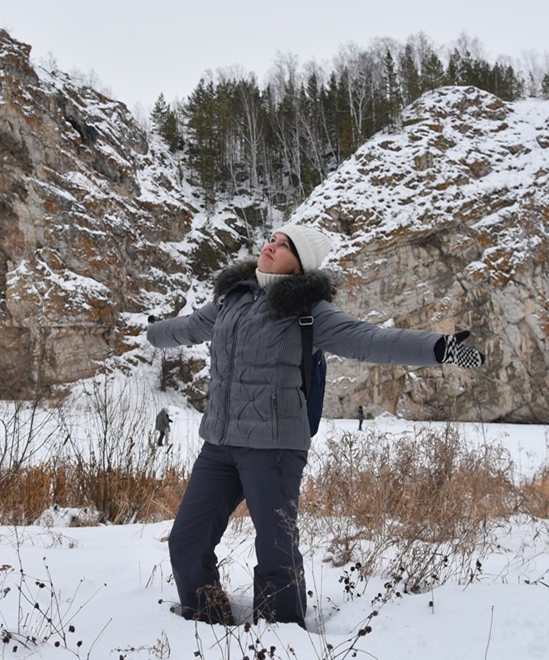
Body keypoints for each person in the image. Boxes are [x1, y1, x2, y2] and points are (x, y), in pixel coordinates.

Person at [146, 223, 485, 627]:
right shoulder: (231, 299)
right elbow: (187, 328)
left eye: (283, 245)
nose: (270, 245)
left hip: (273, 448)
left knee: (276, 551)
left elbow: (372, 339)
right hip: (219, 445)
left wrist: (438, 348)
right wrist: (151, 333)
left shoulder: (308, 311)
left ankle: (280, 636)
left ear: (300, 266)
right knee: (187, 540)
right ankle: (206, 623)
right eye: (271, 238)